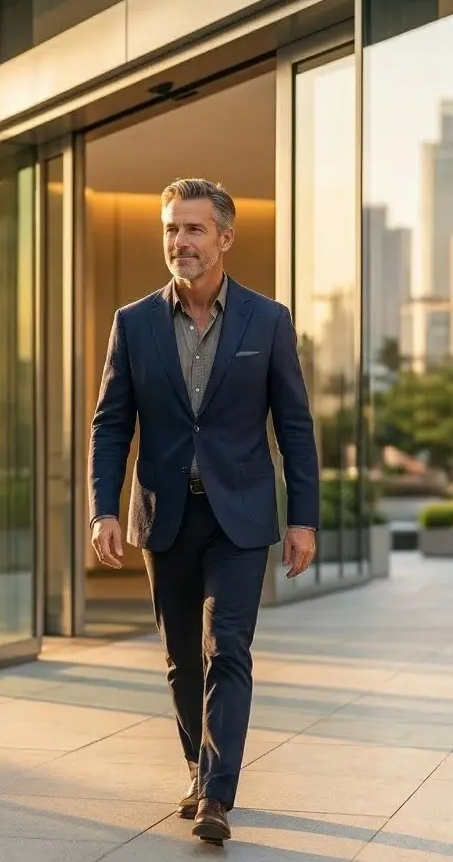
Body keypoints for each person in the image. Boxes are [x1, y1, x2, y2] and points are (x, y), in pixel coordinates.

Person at [87, 178, 319, 843]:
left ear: (224, 237)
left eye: (192, 229)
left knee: (230, 650)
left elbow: (294, 426)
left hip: (240, 515)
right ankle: (198, 767)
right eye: (170, 228)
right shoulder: (132, 323)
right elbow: (111, 424)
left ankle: (218, 793)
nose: (179, 241)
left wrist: (303, 517)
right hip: (165, 514)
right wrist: (105, 509)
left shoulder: (266, 320)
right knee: (180, 658)